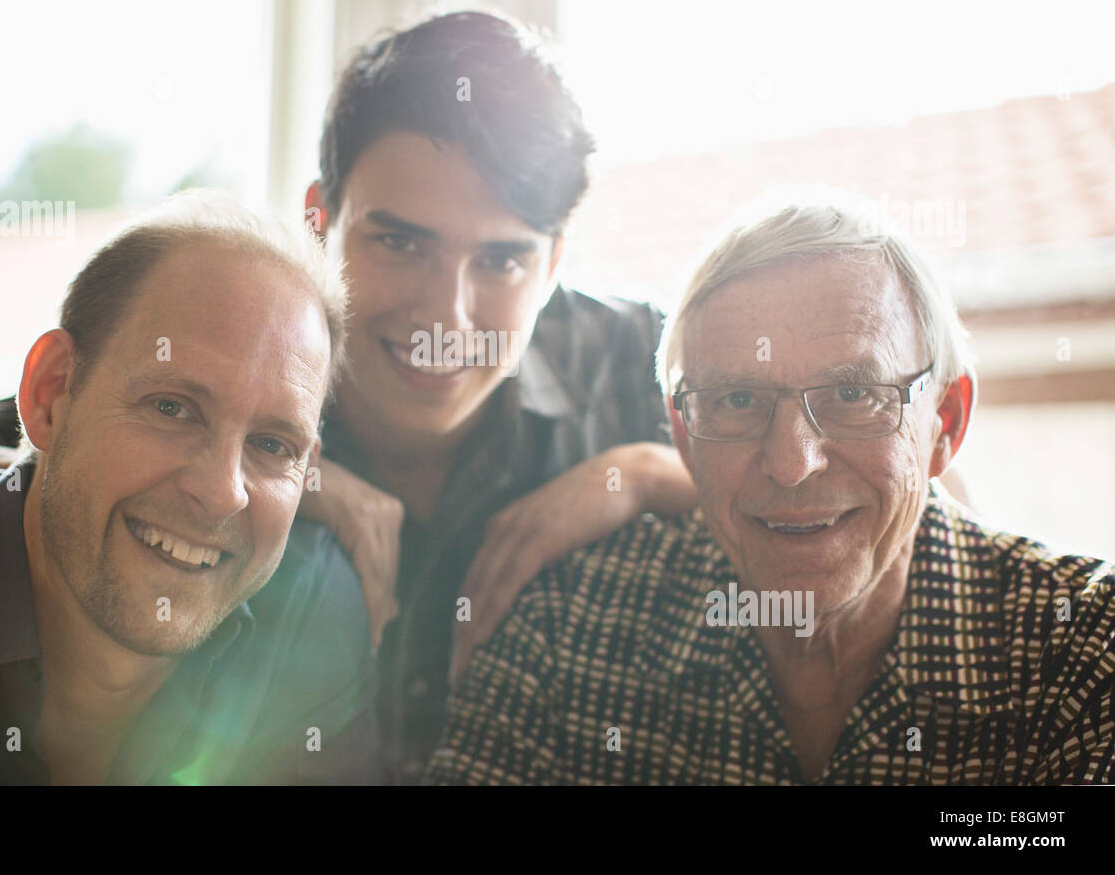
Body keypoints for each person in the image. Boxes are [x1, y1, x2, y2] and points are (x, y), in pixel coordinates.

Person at [0, 11, 699, 783]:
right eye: (402, 242)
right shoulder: (251, 340)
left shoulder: (641, 361)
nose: (447, 312)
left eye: (502, 261)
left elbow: (810, 484)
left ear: (553, 263)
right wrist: (274, 489)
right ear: (318, 223)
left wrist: (649, 471)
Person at [426, 189, 1115, 785]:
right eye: (735, 401)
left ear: (946, 424)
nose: (792, 463)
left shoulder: (1083, 654)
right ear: (683, 435)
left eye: (852, 392)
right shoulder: (567, 625)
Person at [0, 192, 379, 784]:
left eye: (272, 445)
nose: (221, 493)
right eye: (172, 407)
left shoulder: (312, 626)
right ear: (50, 392)